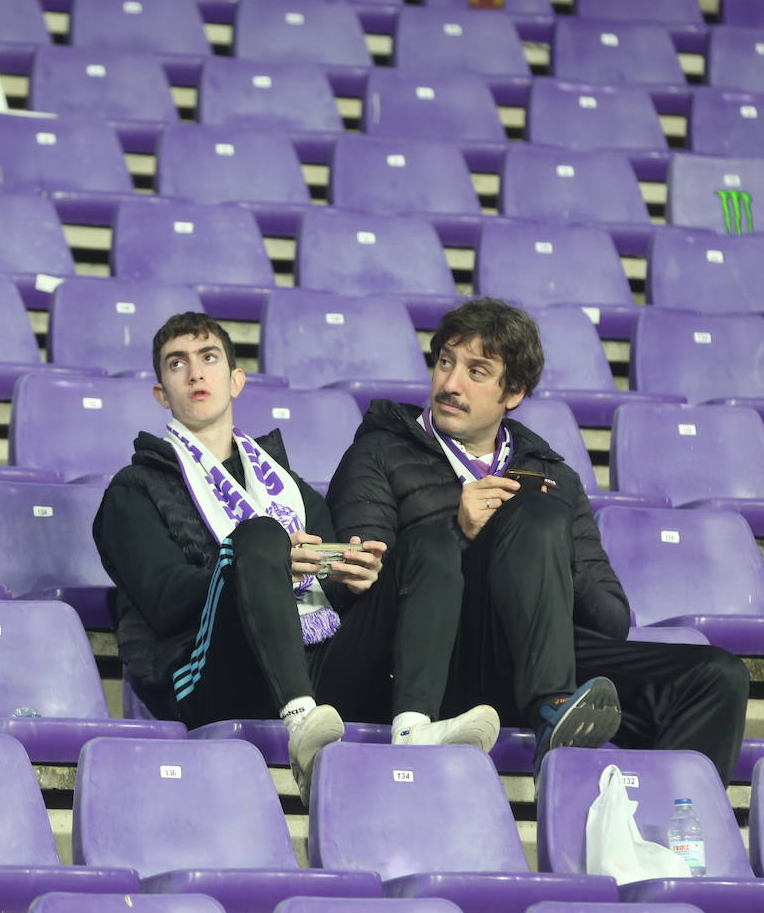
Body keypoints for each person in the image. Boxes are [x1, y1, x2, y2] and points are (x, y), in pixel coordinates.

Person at [326, 298, 751, 782]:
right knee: (526, 516)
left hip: (522, 654)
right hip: (418, 663)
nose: (450, 383)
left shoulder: (551, 477)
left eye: (477, 371)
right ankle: (552, 706)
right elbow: (354, 594)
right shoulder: (379, 451)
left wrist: (547, 546)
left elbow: (611, 619)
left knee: (717, 676)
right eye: (446, 362)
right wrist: (457, 531)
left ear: (515, 393)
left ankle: (670, 824)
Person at [93, 312, 500, 804]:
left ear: (235, 380)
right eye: (177, 364)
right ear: (162, 393)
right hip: (209, 677)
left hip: (315, 669)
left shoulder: (288, 487)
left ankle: (414, 726)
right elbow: (164, 602)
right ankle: (299, 723)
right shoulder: (132, 491)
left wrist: (354, 579)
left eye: (209, 359)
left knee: (431, 544)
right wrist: (255, 565)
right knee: (259, 536)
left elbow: (328, 602)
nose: (196, 373)